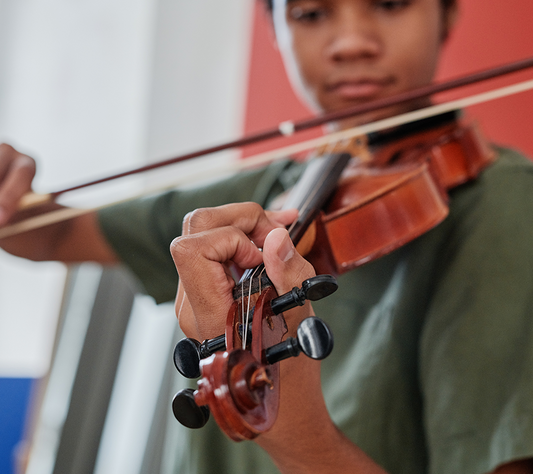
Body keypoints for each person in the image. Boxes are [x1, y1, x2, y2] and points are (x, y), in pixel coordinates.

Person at [1, 0, 533, 473]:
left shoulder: (504, 209)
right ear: (275, 26)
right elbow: (54, 235)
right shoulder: (275, 187)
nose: (351, 43)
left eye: (390, 4)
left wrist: (296, 434)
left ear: (448, 15)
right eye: (310, 13)